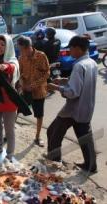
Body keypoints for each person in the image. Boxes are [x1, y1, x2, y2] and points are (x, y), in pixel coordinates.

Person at [47, 36, 98, 173]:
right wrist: (63, 80)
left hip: (73, 109)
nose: (70, 51)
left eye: (71, 48)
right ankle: (91, 165)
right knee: (85, 137)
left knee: (53, 132)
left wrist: (55, 87)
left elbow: (73, 92)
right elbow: (78, 81)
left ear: (77, 48)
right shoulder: (91, 62)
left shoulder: (79, 65)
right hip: (87, 107)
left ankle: (54, 161)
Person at [17, 36, 50, 147]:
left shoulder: (41, 56)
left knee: (39, 115)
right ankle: (9, 132)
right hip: (25, 90)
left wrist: (35, 85)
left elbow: (47, 73)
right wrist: (22, 84)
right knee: (17, 109)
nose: (21, 52)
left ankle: (37, 136)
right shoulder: (21, 58)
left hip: (39, 91)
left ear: (28, 47)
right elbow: (19, 74)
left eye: (22, 49)